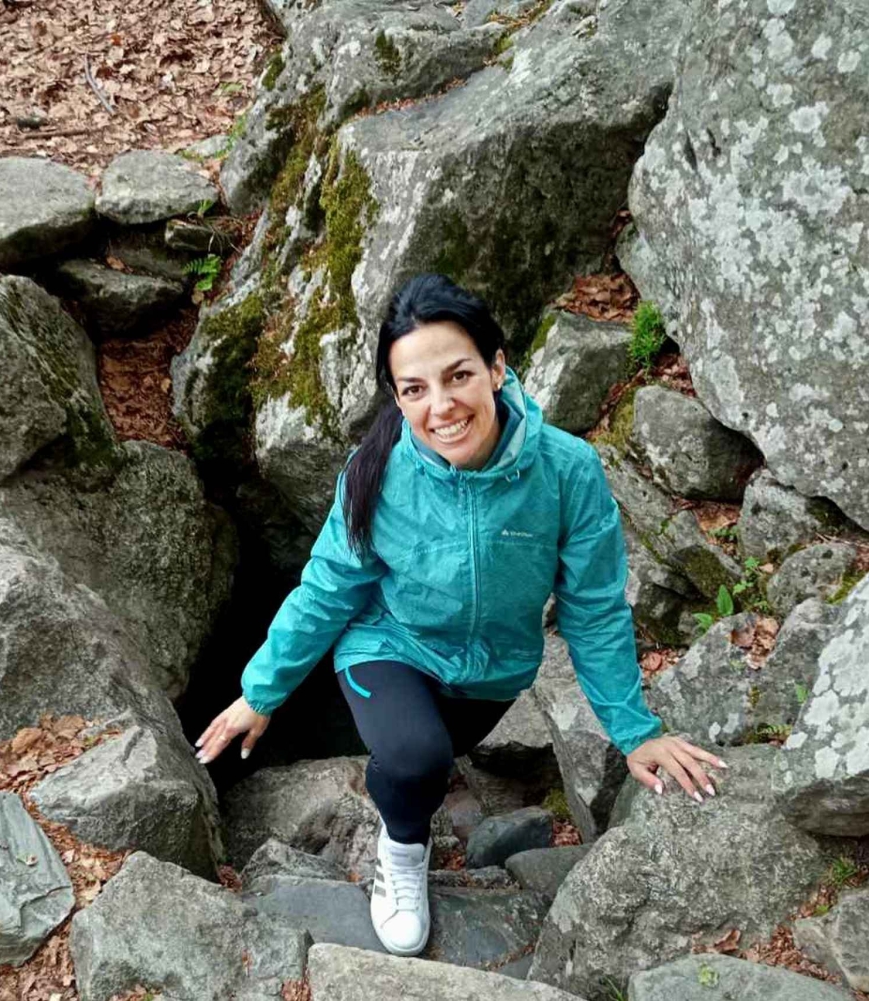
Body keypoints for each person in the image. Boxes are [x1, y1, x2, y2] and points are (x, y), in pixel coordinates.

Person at [194, 273, 724, 957]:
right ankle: (401, 852)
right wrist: (260, 693)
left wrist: (635, 732)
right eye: (414, 389)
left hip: (490, 678)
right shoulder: (376, 473)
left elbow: (593, 611)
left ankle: (403, 785)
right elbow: (327, 588)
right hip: (387, 644)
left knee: (427, 759)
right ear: (396, 398)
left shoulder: (568, 473)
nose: (441, 406)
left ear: (497, 368)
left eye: (458, 376)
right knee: (415, 757)